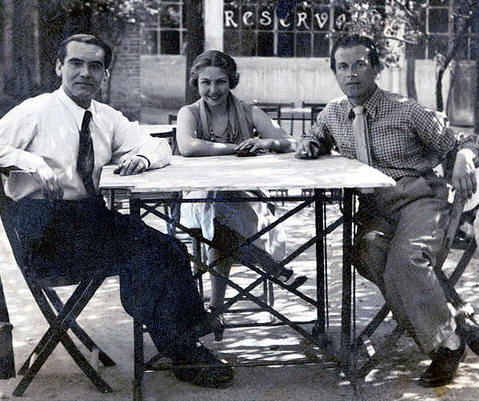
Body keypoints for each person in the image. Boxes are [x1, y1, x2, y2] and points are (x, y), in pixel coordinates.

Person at [0, 34, 233, 388]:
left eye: (95, 66)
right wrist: (30, 161)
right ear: (59, 67)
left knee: (168, 248)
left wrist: (140, 157)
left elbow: (157, 146)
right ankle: (184, 346)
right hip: (43, 228)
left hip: (87, 220)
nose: (85, 73)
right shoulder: (36, 111)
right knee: (149, 253)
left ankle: (181, 341)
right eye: (76, 63)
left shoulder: (105, 117)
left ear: (105, 73)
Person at [296, 34, 479, 387]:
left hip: (419, 200)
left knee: (406, 261)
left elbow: (461, 142)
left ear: (376, 68)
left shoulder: (406, 109)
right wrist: (310, 145)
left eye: (360, 65)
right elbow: (315, 135)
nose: (351, 74)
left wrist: (466, 156)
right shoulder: (335, 112)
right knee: (365, 253)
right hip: (374, 210)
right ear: (334, 72)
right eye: (343, 67)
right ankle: (455, 319)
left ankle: (447, 345)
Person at [176, 50, 307, 340]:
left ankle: (216, 308)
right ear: (196, 82)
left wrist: (265, 142)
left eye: (221, 82)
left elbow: (290, 142)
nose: (213, 90)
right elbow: (188, 147)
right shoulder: (190, 113)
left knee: (220, 222)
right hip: (200, 196)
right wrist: (235, 149)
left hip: (245, 196)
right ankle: (272, 267)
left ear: (231, 81)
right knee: (214, 210)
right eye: (205, 82)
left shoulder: (248, 111)